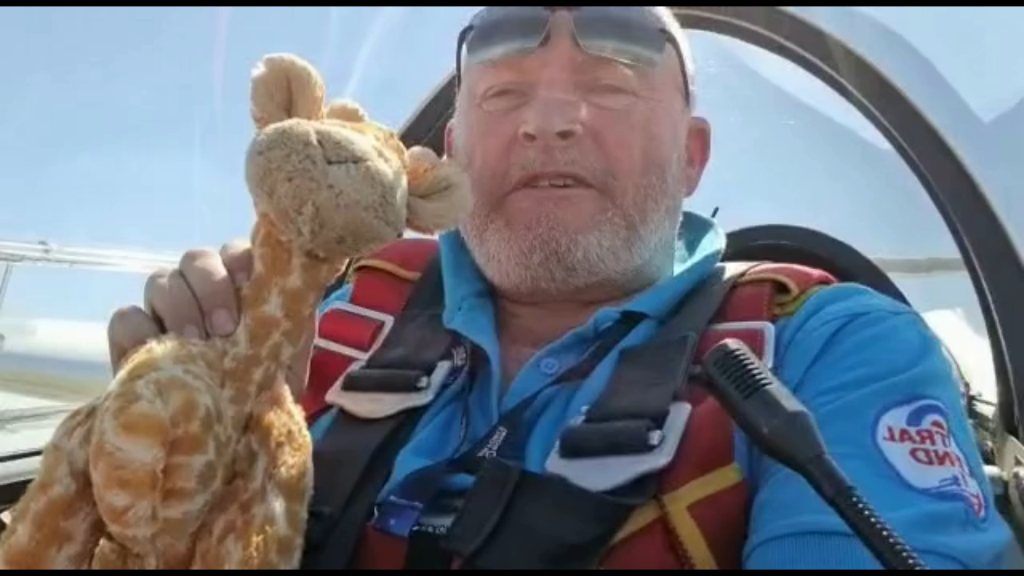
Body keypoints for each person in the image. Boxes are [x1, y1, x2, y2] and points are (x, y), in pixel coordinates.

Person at [107, 6, 1014, 569]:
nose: (549, 122)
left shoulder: (828, 351)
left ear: (692, 156)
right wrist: (165, 458)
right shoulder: (324, 322)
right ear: (451, 157)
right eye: (502, 97)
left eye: (611, 88)